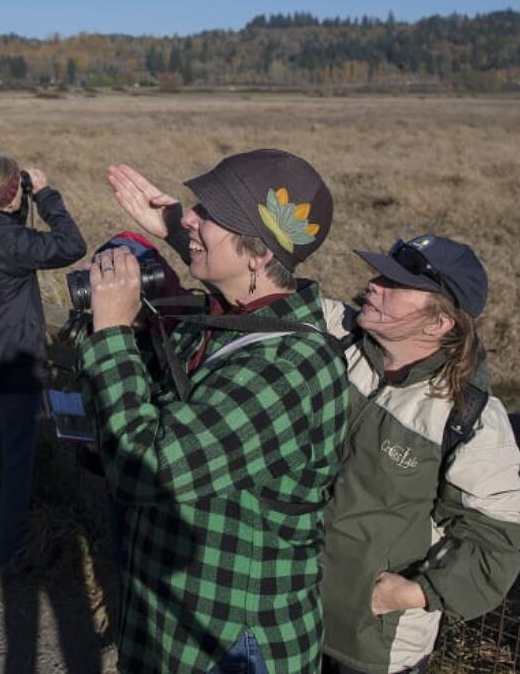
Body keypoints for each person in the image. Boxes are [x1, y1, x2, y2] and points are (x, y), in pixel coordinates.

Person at [82, 150, 350, 674]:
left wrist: (112, 333)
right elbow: (245, 270)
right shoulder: (228, 316)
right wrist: (176, 232)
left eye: (208, 213)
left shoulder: (289, 368)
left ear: (257, 255)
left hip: (229, 640)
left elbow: (145, 469)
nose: (188, 216)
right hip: (170, 622)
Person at [318, 234, 520, 674]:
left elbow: (498, 541)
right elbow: (262, 291)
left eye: (394, 285)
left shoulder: (467, 418)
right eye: (381, 274)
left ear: (438, 324)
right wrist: (176, 228)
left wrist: (410, 595)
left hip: (373, 648)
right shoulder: (343, 339)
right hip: (291, 613)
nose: (373, 285)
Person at [0, 154, 86, 568]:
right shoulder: (11, 239)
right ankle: (10, 551)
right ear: (13, 197)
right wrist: (45, 195)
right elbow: (72, 245)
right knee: (17, 460)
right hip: (13, 365)